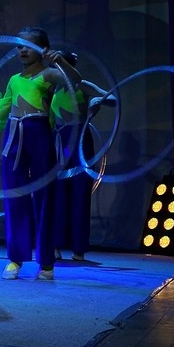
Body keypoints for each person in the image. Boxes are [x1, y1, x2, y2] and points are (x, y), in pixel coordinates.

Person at [0, 27, 82, 280]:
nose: (22, 50)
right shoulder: (14, 79)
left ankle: (46, 263)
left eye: (29, 46)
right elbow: (4, 108)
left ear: (42, 49)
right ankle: (15, 259)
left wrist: (60, 62)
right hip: (13, 137)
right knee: (14, 196)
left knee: (44, 197)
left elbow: (75, 81)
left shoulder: (49, 74)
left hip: (39, 135)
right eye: (19, 46)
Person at [51, 53, 116, 262]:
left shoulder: (82, 85)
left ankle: (78, 249)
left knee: (80, 194)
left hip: (79, 140)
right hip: (59, 142)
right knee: (58, 195)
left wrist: (98, 100)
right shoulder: (52, 87)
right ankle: (55, 245)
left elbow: (113, 99)